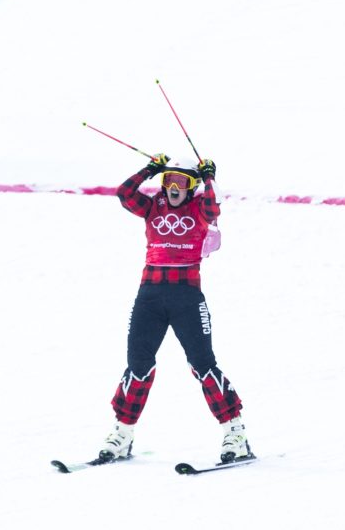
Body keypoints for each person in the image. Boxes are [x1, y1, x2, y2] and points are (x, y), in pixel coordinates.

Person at [96, 152, 251, 464]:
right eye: (169, 180)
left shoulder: (198, 209)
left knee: (202, 363)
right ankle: (122, 433)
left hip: (186, 297)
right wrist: (150, 170)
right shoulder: (153, 208)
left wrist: (208, 178)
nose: (174, 187)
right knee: (138, 365)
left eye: (182, 181)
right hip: (150, 296)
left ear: (191, 186)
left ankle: (235, 433)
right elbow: (124, 194)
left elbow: (213, 206)